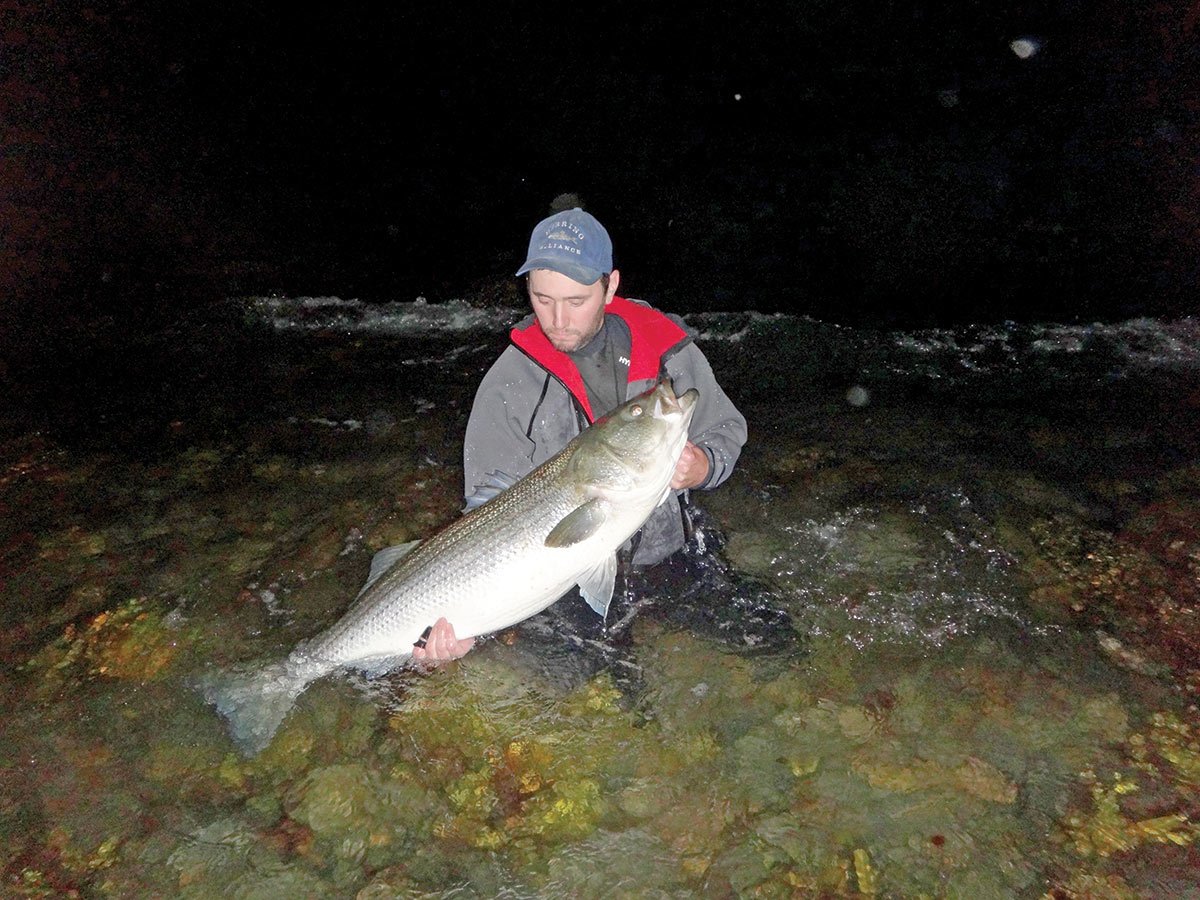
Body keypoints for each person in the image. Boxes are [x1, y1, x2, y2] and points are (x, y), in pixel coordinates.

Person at [412, 207, 748, 661]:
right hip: (564, 582)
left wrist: (704, 465)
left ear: (610, 286)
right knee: (578, 707)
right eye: (542, 299)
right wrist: (459, 628)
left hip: (671, 551)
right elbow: (485, 523)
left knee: (772, 643)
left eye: (576, 301)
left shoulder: (664, 346)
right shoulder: (507, 384)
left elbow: (725, 428)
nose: (557, 320)